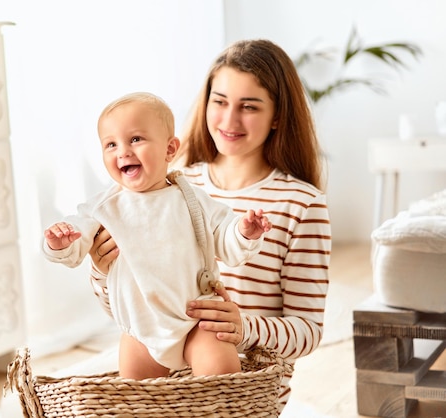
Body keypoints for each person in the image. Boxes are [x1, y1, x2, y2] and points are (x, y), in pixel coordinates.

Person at [89, 40, 331, 411]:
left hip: (239, 397)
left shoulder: (302, 205)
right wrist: (103, 271)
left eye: (249, 107)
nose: (229, 121)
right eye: (219, 102)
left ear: (278, 116)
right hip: (162, 383)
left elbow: (309, 332)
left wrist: (244, 328)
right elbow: (134, 310)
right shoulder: (163, 184)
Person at [43, 92, 271, 380]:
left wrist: (244, 231)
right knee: (137, 400)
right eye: (111, 144)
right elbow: (75, 245)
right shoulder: (103, 208)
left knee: (221, 375)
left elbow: (224, 235)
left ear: (169, 149)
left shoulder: (191, 200)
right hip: (140, 331)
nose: (123, 151)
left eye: (135, 139)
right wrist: (59, 242)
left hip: (197, 322)